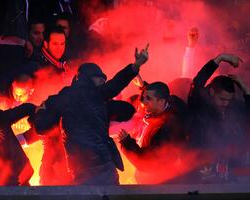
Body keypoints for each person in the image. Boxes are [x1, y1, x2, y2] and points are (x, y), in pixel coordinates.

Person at [34, 44, 149, 185]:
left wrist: (39, 112)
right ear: (88, 78)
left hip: (81, 168)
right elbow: (116, 84)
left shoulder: (65, 97)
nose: (103, 82)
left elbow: (41, 127)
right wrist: (135, 65)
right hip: (101, 165)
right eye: (100, 79)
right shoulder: (96, 94)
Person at [186, 53, 250, 183]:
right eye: (222, 99)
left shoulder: (233, 106)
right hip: (202, 166)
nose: (225, 103)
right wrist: (220, 58)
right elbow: (197, 83)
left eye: (229, 99)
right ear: (211, 92)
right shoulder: (199, 104)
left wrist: (244, 87)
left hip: (230, 165)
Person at [117, 82, 188, 184]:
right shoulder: (167, 104)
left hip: (158, 183)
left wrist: (127, 143)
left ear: (161, 102)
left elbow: (147, 163)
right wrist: (143, 85)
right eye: (143, 98)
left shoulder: (167, 130)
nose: (143, 102)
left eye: (148, 99)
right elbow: (161, 93)